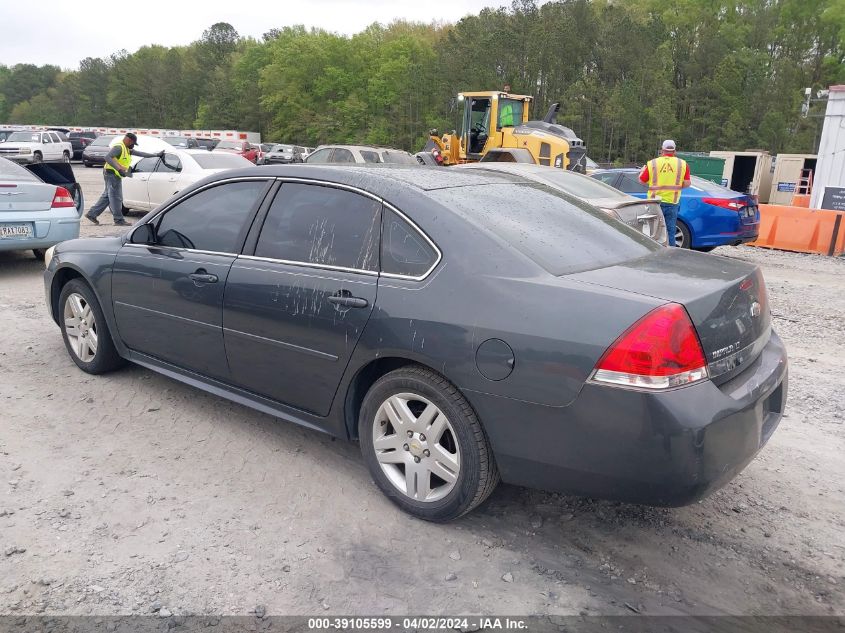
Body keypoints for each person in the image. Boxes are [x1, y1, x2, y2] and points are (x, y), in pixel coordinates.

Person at [85, 133, 163, 226]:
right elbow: (107, 157)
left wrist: (156, 155)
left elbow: (141, 153)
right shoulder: (119, 147)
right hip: (112, 174)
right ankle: (119, 220)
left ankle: (92, 214)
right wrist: (119, 169)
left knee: (107, 196)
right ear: (129, 141)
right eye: (133, 143)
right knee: (116, 197)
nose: (133, 145)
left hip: (113, 173)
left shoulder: (126, 148)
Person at [639, 140, 691, 246]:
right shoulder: (682, 164)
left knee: (653, 232)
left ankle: (653, 253)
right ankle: (670, 255)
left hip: (655, 202)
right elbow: (687, 183)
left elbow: (642, 180)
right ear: (674, 151)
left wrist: (641, 171)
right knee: (670, 232)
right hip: (672, 203)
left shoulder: (652, 163)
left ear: (662, 150)